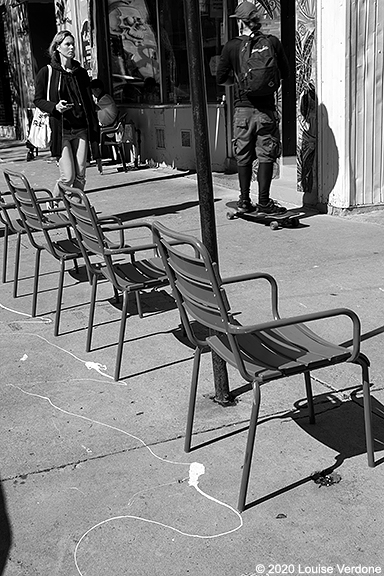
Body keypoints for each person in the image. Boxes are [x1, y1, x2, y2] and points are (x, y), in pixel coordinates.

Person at [216, 1, 290, 214]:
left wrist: (240, 81)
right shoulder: (272, 42)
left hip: (243, 111)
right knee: (266, 154)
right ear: (256, 21)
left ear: (241, 22)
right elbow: (285, 73)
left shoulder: (232, 46)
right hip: (266, 110)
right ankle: (265, 202)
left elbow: (221, 78)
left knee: (244, 156)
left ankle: (244, 200)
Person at [34, 30, 100, 197]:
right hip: (62, 130)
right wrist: (55, 107)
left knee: (81, 176)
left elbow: (88, 104)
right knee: (67, 177)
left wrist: (94, 131)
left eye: (73, 44)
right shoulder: (47, 72)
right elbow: (38, 100)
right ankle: (53, 206)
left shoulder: (81, 73)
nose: (71, 48)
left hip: (81, 129)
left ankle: (76, 214)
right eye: (67, 44)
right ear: (57, 47)